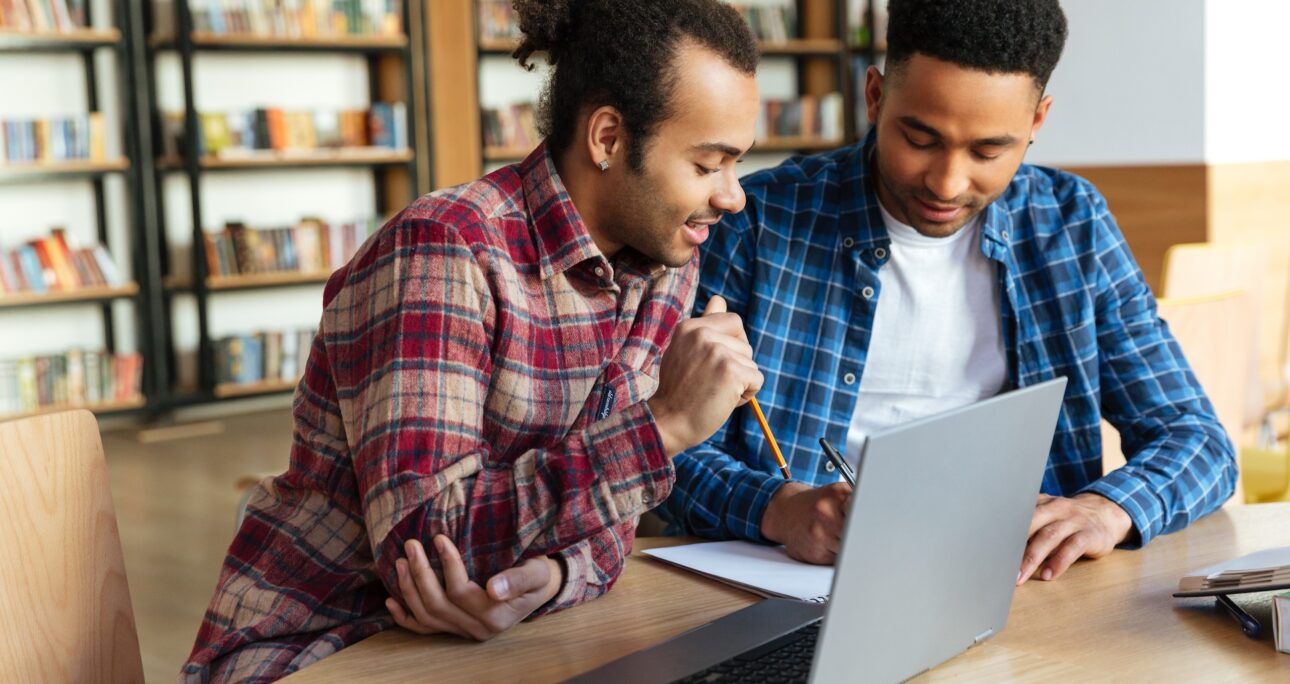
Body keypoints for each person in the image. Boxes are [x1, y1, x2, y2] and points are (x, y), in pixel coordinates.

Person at [180, 0, 763, 679]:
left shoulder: (666, 264)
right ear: (607, 137)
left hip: (498, 645)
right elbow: (425, 550)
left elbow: (611, 526)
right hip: (321, 650)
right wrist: (661, 425)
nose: (733, 196)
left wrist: (549, 577)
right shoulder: (443, 253)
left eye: (736, 163)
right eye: (708, 163)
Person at [655, 0, 1236, 581]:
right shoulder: (757, 220)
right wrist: (777, 509)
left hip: (1022, 589)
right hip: (797, 587)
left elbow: (1196, 438)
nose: (947, 182)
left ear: (1037, 123)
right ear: (876, 96)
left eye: (988, 151)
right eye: (921, 138)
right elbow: (662, 450)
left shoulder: (1072, 224)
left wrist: (1107, 509)